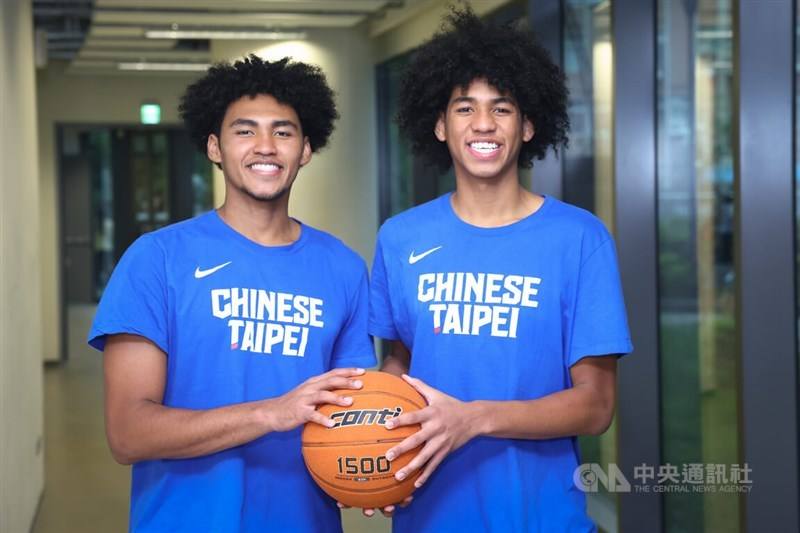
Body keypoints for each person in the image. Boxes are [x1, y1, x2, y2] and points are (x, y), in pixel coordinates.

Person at [367, 7, 633, 531]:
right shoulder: (400, 238)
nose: (483, 123)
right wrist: (374, 450)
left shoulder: (580, 239)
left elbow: (596, 406)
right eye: (464, 107)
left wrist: (473, 419)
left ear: (528, 125)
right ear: (440, 125)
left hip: (541, 516)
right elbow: (399, 365)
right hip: (429, 514)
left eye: (502, 108)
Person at [88, 55, 375, 532]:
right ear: (214, 147)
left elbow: (350, 417)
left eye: (283, 132)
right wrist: (269, 413)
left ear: (306, 149)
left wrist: (375, 475)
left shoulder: (343, 268)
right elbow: (128, 433)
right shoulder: (157, 259)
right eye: (245, 131)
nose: (265, 146)